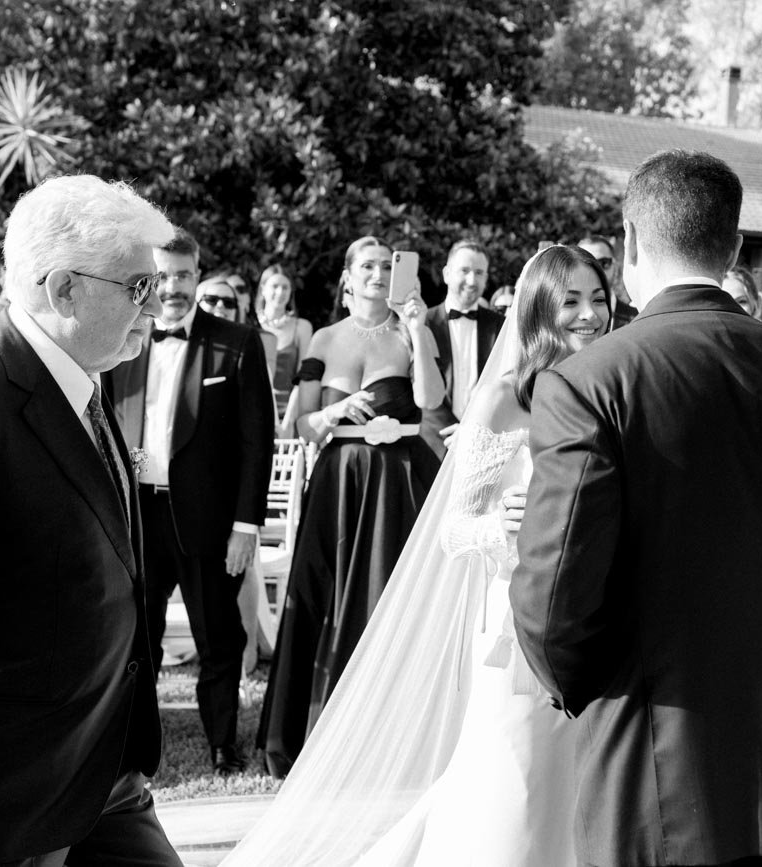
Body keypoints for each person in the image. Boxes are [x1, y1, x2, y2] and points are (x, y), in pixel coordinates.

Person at [510, 150, 762, 867]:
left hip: (656, 752)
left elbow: (553, 596)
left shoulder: (589, 383)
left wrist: (589, 691)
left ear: (630, 243)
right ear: (735, 247)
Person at [224, 244, 612, 865]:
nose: (589, 315)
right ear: (539, 308)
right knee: (515, 771)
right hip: (514, 622)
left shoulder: (608, 388)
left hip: (593, 624)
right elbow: (454, 526)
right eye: (571, 301)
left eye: (598, 299)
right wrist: (500, 527)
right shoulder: (505, 397)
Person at [0, 175, 180, 866]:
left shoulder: (83, 373)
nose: (158, 304)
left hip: (103, 774)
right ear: (63, 290)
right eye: (138, 286)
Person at [258, 235, 445, 777]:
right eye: (367, 266)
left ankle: (394, 736)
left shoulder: (414, 333)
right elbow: (302, 424)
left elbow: (431, 400)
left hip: (398, 484)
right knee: (331, 597)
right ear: (346, 277)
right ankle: (318, 731)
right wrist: (339, 409)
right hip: (339, 483)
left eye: (387, 266)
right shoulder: (323, 339)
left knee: (387, 598)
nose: (378, 273)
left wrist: (414, 328)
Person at [104, 229, 274, 776]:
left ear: (198, 275)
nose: (172, 287)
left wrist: (246, 526)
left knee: (220, 638)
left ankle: (224, 744)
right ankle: (134, 745)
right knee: (137, 639)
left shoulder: (238, 342)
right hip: (138, 517)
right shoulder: (122, 339)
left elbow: (256, 441)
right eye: (163, 275)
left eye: (182, 275)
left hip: (210, 519)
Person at [421, 239, 505, 457]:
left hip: (483, 446)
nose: (471, 280)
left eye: (479, 273)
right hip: (430, 447)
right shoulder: (422, 323)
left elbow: (505, 386)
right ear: (447, 274)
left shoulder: (502, 326)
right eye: (464, 271)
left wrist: (472, 431)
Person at [256, 264, 314, 426]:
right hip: (254, 411)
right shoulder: (251, 326)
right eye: (275, 286)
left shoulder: (301, 327)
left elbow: (303, 377)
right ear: (263, 289)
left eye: (285, 287)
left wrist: (288, 422)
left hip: (289, 413)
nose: (280, 292)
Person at [579, 234, 637, 327]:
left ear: (614, 265)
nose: (597, 270)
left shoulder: (636, 319)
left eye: (604, 262)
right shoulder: (562, 321)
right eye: (587, 264)